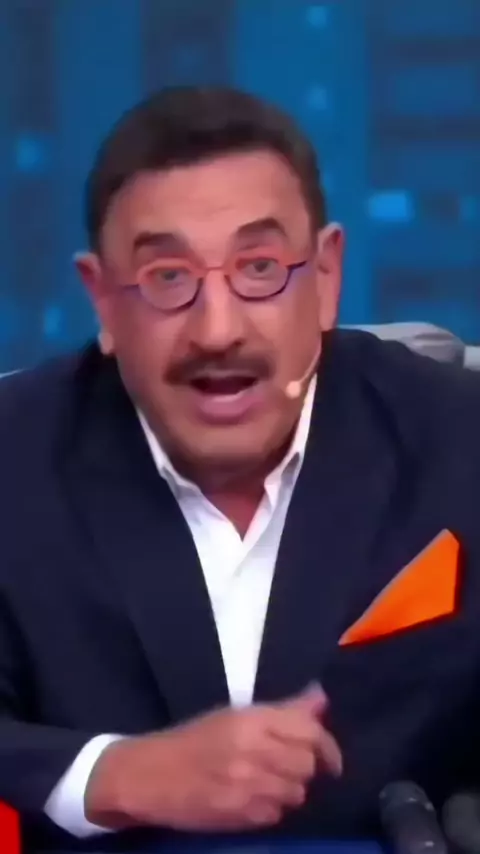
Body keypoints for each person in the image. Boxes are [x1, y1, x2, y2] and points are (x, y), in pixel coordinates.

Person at [1, 86, 480, 854]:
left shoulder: (460, 436)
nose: (218, 330)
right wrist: (113, 774)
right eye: (167, 278)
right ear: (103, 302)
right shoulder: (15, 456)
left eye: (259, 267)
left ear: (326, 276)